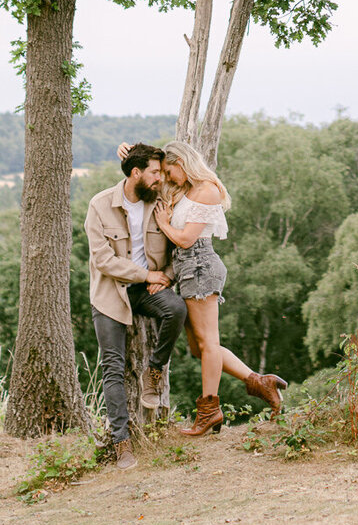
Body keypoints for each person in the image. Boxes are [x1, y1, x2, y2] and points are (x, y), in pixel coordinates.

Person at [116, 138, 287, 435]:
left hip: (200, 265)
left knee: (208, 343)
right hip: (186, 269)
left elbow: (184, 239)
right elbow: (146, 179)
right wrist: (131, 155)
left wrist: (165, 223)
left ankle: (209, 410)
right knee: (199, 347)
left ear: (183, 164)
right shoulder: (184, 189)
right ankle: (259, 382)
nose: (168, 178)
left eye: (171, 172)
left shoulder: (207, 190)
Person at [84, 143, 187, 470]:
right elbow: (103, 260)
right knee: (111, 367)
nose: (161, 178)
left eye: (162, 172)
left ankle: (153, 371)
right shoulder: (100, 205)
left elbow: (177, 250)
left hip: (148, 288)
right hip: (111, 292)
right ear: (135, 173)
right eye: (155, 172)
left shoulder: (161, 201)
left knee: (177, 310)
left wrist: (166, 277)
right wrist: (146, 273)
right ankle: (122, 444)